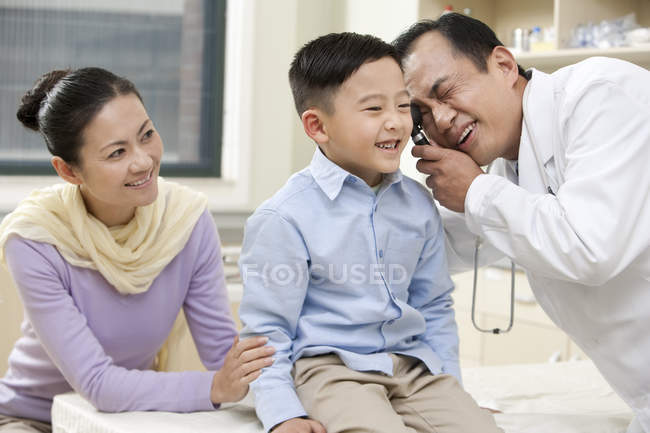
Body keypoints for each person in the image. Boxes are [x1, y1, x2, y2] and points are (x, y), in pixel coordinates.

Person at [393, 12, 650, 433]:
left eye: (447, 91)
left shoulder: (601, 94)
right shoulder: (506, 170)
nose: (439, 121)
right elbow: (441, 247)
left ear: (504, 65)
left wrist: (474, 191)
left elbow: (590, 247)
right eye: (421, 116)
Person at [238, 32, 503, 433]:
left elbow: (432, 306)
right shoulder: (284, 217)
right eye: (373, 108)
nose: (396, 121)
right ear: (317, 126)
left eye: (402, 105)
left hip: (414, 366)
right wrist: (283, 415)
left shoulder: (417, 204)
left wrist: (454, 389)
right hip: (332, 370)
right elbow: (267, 333)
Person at [0, 67, 275, 432]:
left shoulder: (185, 220)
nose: (144, 160)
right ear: (69, 171)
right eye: (117, 152)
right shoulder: (36, 238)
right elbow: (98, 383)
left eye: (146, 135)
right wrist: (215, 386)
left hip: (128, 417)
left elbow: (223, 355)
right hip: (30, 418)